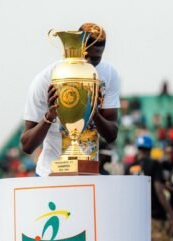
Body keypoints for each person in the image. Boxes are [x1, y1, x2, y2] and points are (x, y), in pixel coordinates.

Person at [20, 22, 120, 176]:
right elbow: (27, 146)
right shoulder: (46, 79)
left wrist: (92, 111)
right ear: (77, 47)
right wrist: (49, 117)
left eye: (96, 59)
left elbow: (111, 135)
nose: (89, 63)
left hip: (89, 172)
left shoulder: (108, 75)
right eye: (85, 56)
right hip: (50, 174)